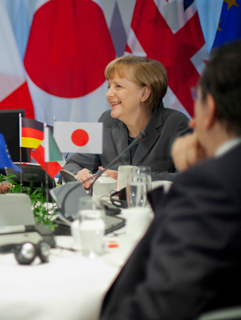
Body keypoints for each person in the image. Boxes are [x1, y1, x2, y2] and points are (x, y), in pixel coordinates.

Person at [100, 40, 241, 319]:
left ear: (210, 109)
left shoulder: (211, 184)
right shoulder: (107, 121)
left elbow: (160, 302)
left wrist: (193, 177)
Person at [63, 56, 190, 187]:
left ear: (144, 93)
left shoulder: (176, 124)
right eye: (109, 86)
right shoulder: (106, 121)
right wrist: (81, 174)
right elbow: (73, 164)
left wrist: (133, 178)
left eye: (118, 86)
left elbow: (191, 177)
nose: (108, 94)